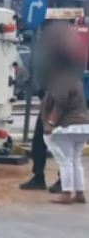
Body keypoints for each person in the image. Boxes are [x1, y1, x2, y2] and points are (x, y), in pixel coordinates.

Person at [20, 22, 85, 192]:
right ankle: (40, 176)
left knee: (64, 149)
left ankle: (63, 183)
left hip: (61, 107)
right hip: (51, 101)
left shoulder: (67, 59)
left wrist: (51, 119)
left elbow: (62, 97)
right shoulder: (56, 55)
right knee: (40, 141)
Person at [42, 69, 89, 204]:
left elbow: (60, 102)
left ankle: (67, 193)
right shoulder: (76, 81)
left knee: (65, 161)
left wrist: (50, 123)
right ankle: (79, 193)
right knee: (76, 160)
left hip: (67, 127)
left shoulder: (61, 82)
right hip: (83, 126)